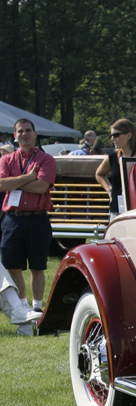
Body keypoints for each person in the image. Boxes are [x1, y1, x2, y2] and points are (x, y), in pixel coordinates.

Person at [0, 118, 56, 315]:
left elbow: (41, 187)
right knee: (12, 266)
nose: (24, 134)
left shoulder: (46, 159)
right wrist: (28, 178)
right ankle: (22, 307)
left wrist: (14, 182)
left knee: (37, 266)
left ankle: (37, 307)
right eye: (20, 131)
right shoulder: (6, 160)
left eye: (28, 130)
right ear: (14, 136)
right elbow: (1, 185)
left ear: (35, 134)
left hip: (37, 218)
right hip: (12, 219)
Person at [95, 119, 136, 219]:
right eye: (111, 135)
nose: (112, 138)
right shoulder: (112, 157)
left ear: (129, 135)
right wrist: (109, 190)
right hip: (116, 210)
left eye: (116, 135)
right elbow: (99, 174)